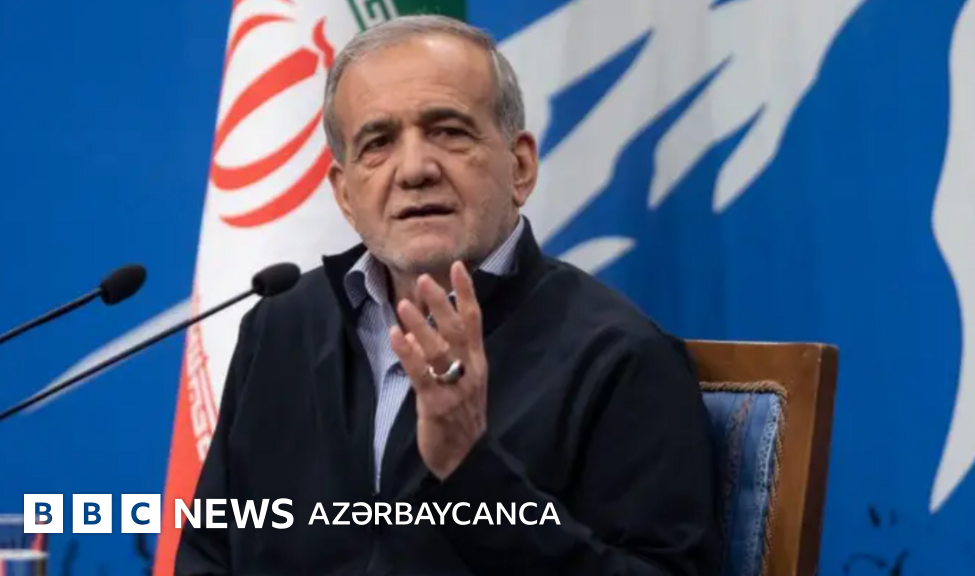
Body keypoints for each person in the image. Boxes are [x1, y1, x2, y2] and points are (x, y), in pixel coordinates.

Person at [175, 14, 721, 576]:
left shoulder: (621, 357)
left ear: (520, 166)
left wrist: (472, 470)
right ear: (345, 194)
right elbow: (210, 554)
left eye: (449, 131)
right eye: (378, 143)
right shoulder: (281, 326)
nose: (414, 170)